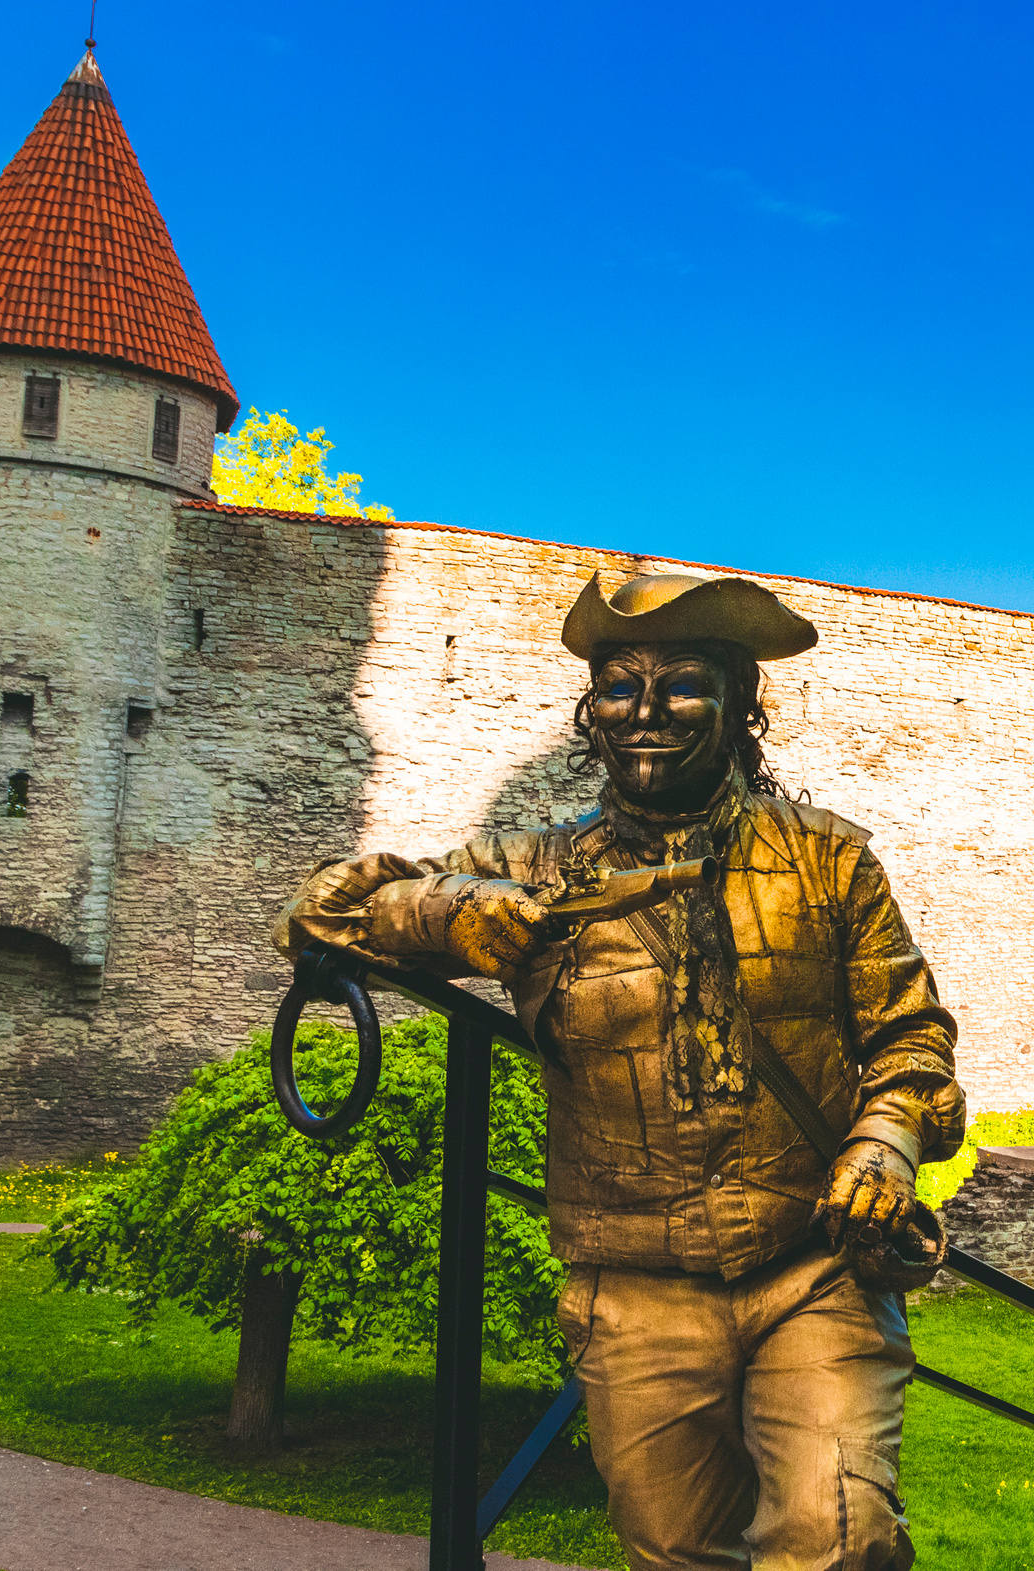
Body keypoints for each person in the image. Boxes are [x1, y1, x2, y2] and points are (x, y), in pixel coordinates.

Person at [276, 572, 964, 1570]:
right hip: (630, 1288)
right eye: (617, 687)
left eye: (682, 684)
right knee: (673, 1553)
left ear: (740, 709)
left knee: (837, 1539)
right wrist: (448, 912)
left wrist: (885, 1142)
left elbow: (912, 1039)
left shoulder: (828, 864)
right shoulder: (534, 871)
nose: (645, 712)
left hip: (815, 1269)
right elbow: (319, 914)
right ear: (590, 713)